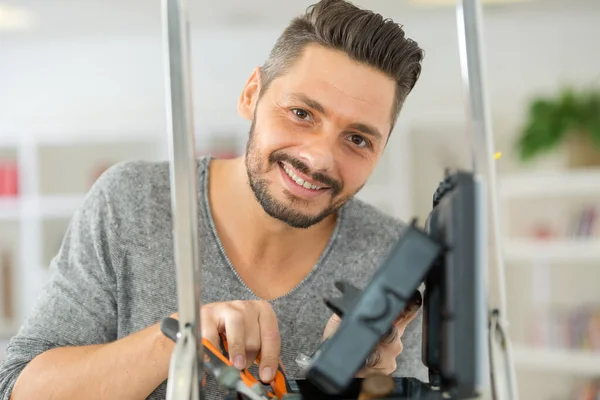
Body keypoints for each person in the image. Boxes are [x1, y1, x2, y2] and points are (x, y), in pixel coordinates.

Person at [0, 0, 425, 399]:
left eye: (357, 139)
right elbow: (19, 388)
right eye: (301, 113)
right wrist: (182, 338)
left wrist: (366, 388)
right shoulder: (132, 201)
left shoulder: (391, 258)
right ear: (251, 95)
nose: (319, 159)